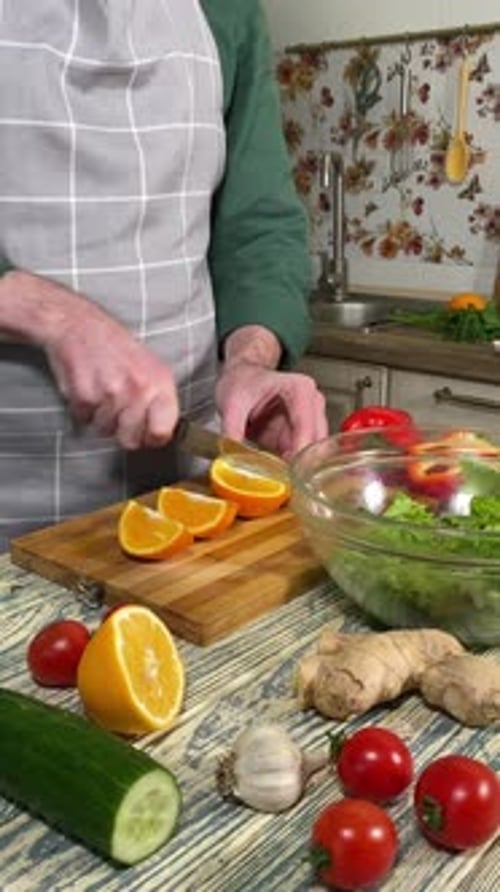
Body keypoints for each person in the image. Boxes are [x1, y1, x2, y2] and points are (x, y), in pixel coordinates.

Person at [0, 0, 328, 552]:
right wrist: (53, 315)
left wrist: (249, 361)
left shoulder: (229, 13)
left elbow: (257, 225)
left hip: (180, 488)